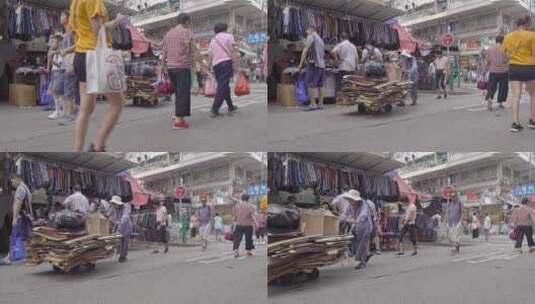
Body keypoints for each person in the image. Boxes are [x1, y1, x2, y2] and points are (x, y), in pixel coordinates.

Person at [69, 0, 127, 151]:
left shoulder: (75, 2)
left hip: (81, 54)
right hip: (95, 57)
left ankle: (78, 149)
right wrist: (118, 20)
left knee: (85, 108)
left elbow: (76, 31)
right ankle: (98, 144)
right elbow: (98, 29)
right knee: (118, 103)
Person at [162, 13, 204, 130]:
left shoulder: (168, 34)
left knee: (178, 93)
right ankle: (179, 122)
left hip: (170, 68)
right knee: (183, 93)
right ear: (186, 21)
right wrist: (202, 65)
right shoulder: (187, 32)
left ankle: (177, 115)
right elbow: (194, 51)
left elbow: (164, 51)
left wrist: (163, 66)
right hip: (182, 67)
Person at [502, 15, 535, 132]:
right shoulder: (532, 35)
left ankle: (515, 123)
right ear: (528, 24)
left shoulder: (508, 36)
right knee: (533, 95)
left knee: (516, 96)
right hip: (530, 67)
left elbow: (504, 56)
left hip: (515, 67)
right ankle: (532, 121)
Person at [0, 175, 33, 265]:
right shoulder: (26, 188)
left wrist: (15, 217)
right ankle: (10, 257)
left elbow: (18, 203)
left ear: (18, 179)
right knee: (22, 237)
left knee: (21, 237)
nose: (12, 183)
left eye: (12, 181)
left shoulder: (20, 189)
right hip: (26, 216)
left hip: (22, 217)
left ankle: (30, 258)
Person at [208, 23, 238, 117]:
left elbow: (210, 55)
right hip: (226, 63)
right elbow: (232, 50)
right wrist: (236, 63)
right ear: (225, 29)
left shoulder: (213, 40)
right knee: (222, 86)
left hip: (216, 65)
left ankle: (230, 106)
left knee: (224, 85)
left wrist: (208, 67)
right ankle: (214, 109)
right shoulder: (229, 36)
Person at [56, 11, 78, 126]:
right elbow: (62, 51)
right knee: (60, 89)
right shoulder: (64, 34)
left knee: (68, 91)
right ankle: (70, 111)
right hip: (64, 65)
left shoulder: (73, 31)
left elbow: (78, 45)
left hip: (71, 63)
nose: (61, 18)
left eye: (63, 15)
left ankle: (70, 116)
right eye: (61, 15)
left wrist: (66, 51)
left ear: (69, 17)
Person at [298, 25, 326, 111]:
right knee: (320, 85)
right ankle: (320, 104)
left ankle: (313, 104)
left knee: (310, 85)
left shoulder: (311, 36)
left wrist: (300, 64)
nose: (306, 32)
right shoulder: (320, 39)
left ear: (310, 29)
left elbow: (305, 50)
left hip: (313, 64)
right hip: (321, 65)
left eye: (306, 30)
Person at [343, 190, 373, 270]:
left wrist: (357, 220)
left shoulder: (363, 204)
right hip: (357, 227)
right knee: (356, 242)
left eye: (352, 200)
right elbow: (345, 214)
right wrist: (340, 219)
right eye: (349, 199)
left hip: (366, 226)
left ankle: (362, 262)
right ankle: (364, 256)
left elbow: (364, 213)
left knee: (362, 243)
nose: (350, 201)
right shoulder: (350, 206)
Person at [485, 35, 509, 111]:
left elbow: (488, 61)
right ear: (503, 41)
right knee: (503, 87)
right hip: (504, 71)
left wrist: (485, 69)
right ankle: (500, 103)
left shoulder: (489, 49)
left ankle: (490, 99)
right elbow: (508, 59)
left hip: (493, 71)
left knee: (491, 87)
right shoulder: (505, 48)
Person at [109, 196, 132, 262]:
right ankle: (120, 254)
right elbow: (110, 215)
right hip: (119, 226)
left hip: (126, 226)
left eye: (114, 203)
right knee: (120, 241)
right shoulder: (113, 208)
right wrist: (110, 219)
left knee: (125, 242)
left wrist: (120, 222)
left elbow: (125, 216)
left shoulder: (125, 207)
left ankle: (123, 256)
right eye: (113, 203)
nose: (113, 205)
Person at [47, 34, 64, 120]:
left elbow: (60, 65)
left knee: (58, 92)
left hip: (59, 73)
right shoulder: (54, 52)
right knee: (54, 92)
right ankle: (58, 110)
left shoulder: (61, 52)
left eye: (53, 42)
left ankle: (60, 111)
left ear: (59, 43)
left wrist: (52, 60)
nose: (51, 44)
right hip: (55, 73)